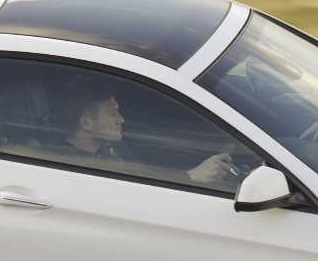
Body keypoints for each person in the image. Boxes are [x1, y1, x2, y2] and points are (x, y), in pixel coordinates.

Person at [53, 80, 239, 189]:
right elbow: (134, 196)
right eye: (112, 113)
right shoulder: (74, 170)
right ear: (86, 123)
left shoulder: (112, 149)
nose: (121, 119)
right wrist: (190, 177)